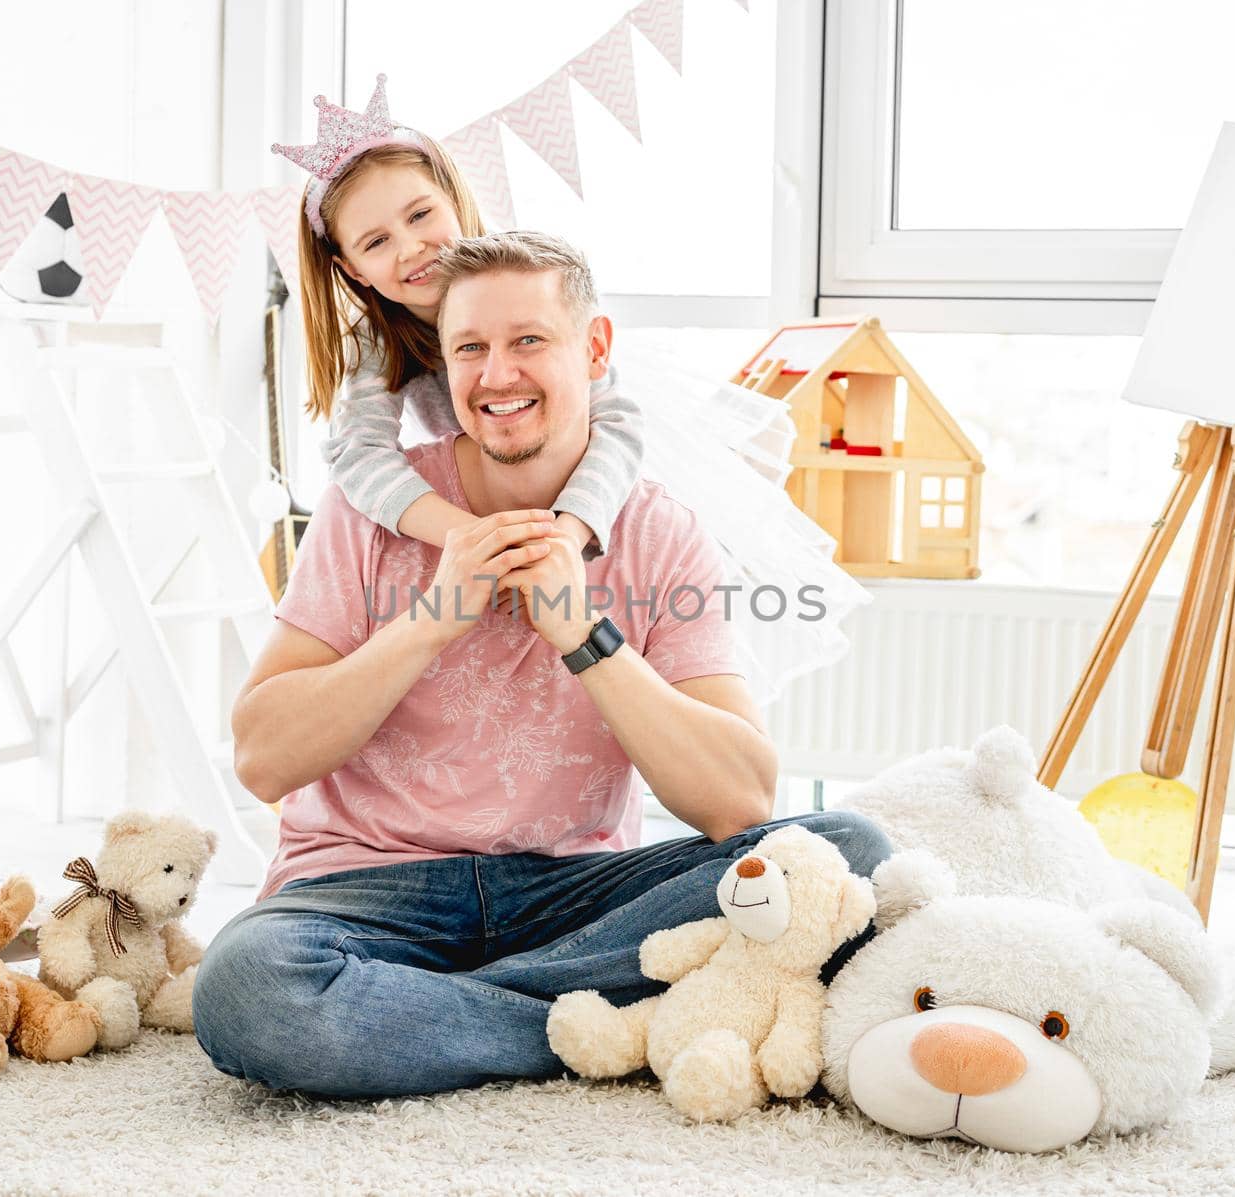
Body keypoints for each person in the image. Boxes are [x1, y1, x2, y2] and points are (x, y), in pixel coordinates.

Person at [191, 230, 891, 1099]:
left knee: (848, 856)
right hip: (365, 892)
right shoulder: (370, 511)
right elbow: (264, 757)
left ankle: (427, 1020)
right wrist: (429, 620)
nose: (497, 374)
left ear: (594, 348)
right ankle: (589, 1023)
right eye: (470, 349)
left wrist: (583, 635)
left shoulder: (657, 529)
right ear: (442, 367)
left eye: (528, 341)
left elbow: (739, 799)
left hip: (571, 895)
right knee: (248, 988)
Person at [270, 76, 867, 704]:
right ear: (350, 269)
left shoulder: (526, 281)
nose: (412, 246)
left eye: (420, 215)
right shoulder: (377, 346)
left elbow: (621, 424)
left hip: (582, 483)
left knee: (643, 636)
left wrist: (569, 529)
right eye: (376, 242)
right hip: (497, 482)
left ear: (452, 198)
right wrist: (467, 536)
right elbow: (359, 455)